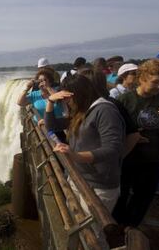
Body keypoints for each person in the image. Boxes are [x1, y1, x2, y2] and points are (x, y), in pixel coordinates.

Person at [45, 74, 125, 212]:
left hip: (99, 185)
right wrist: (50, 101)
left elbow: (113, 148)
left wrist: (76, 156)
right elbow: (51, 125)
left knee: (92, 231)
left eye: (67, 98)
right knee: (75, 220)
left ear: (79, 94)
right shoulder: (81, 111)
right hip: (78, 176)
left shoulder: (105, 110)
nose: (66, 102)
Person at [112, 59, 159, 227]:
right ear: (141, 78)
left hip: (154, 159)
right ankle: (117, 228)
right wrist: (131, 137)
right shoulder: (125, 100)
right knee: (121, 195)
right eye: (156, 82)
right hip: (128, 158)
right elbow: (113, 129)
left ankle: (131, 229)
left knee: (143, 198)